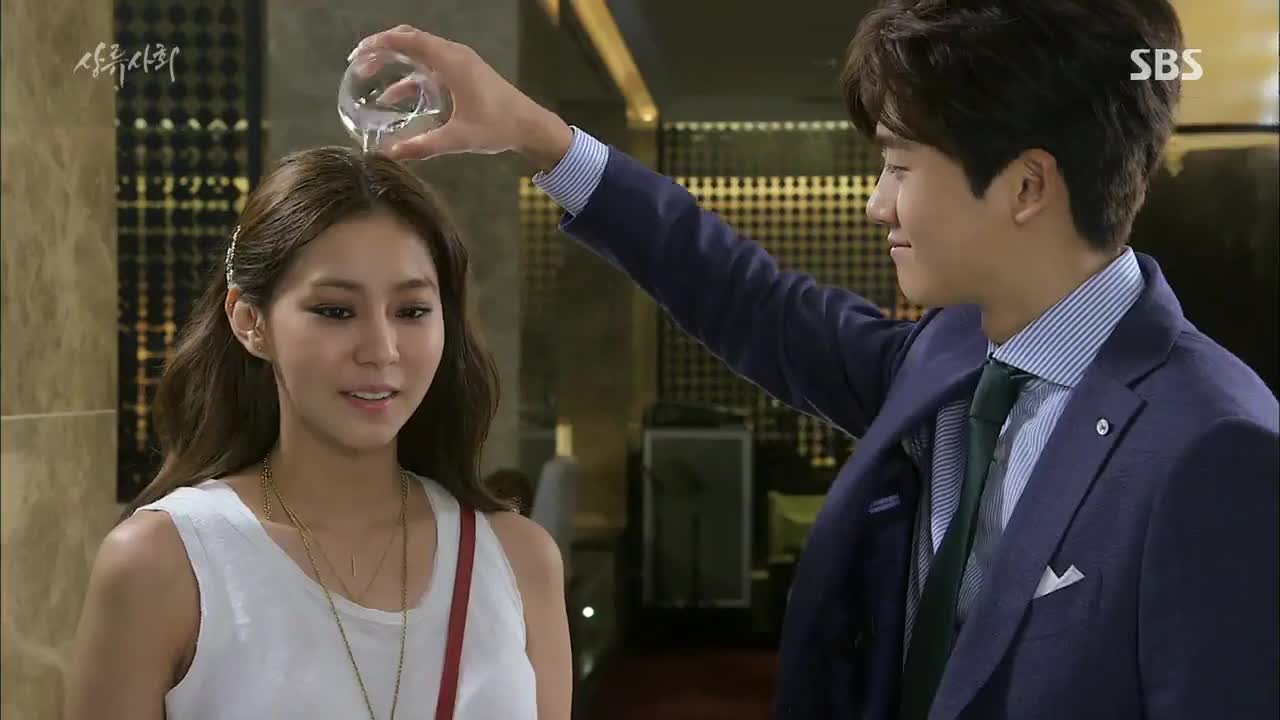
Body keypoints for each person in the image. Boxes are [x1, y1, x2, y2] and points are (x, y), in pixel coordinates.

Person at [351, 1, 1279, 718]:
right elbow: (751, 300)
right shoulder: (955, 349)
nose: (878, 205)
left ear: (1027, 186)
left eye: (900, 167)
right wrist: (539, 137)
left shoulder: (1213, 447)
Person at [65, 147, 572, 720]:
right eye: (335, 311)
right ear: (250, 321)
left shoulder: (517, 559)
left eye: (411, 311)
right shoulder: (163, 563)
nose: (381, 350)